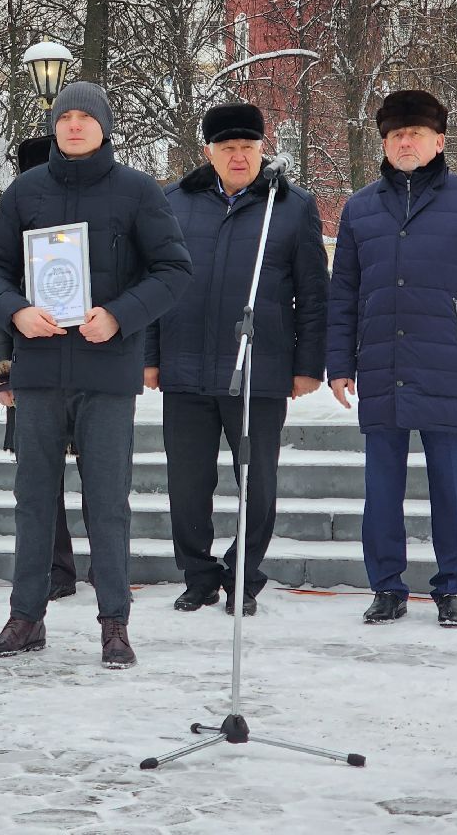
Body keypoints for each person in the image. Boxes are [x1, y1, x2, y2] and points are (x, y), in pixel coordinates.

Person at [0, 81, 191, 668]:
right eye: (64, 117)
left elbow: (174, 269)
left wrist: (120, 317)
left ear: (104, 126)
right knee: (33, 501)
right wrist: (16, 310)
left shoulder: (137, 192)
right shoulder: (27, 191)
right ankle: (26, 618)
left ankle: (114, 625)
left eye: (85, 117)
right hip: (40, 371)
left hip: (107, 370)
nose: (74, 126)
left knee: (108, 503)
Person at [325, 89, 457, 629]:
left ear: (438, 141)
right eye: (396, 135)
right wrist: (340, 364)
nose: (406, 143)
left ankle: (451, 587)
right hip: (382, 364)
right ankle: (387, 586)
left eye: (416, 134)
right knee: (381, 489)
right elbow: (345, 293)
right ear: (385, 142)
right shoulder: (361, 208)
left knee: (452, 485)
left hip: (447, 363)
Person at [145, 103, 328, 617]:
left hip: (261, 370)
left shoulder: (290, 207)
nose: (238, 156)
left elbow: (314, 294)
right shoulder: (174, 204)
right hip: (185, 368)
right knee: (187, 483)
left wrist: (308, 365)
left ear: (261, 150)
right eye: (227, 148)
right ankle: (198, 574)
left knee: (259, 482)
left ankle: (244, 576)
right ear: (209, 151)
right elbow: (155, 283)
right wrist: (150, 355)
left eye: (247, 147)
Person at [0, 134, 88, 602]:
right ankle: (55, 567)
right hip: (32, 368)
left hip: (91, 370)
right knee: (40, 483)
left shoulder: (93, 222)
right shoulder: (16, 224)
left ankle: (106, 564)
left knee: (101, 478)